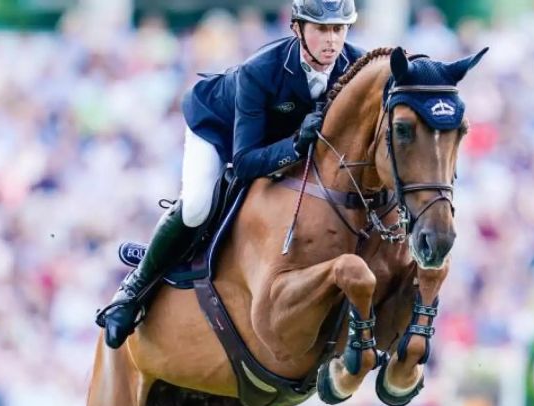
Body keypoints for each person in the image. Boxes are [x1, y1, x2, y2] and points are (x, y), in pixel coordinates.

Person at [95, 0, 365, 349]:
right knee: (196, 206)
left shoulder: (355, 66)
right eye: (321, 29)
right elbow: (245, 161)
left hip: (272, 139)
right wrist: (296, 144)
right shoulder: (261, 70)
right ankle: (133, 290)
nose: (332, 40)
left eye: (339, 29)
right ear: (297, 29)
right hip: (218, 129)